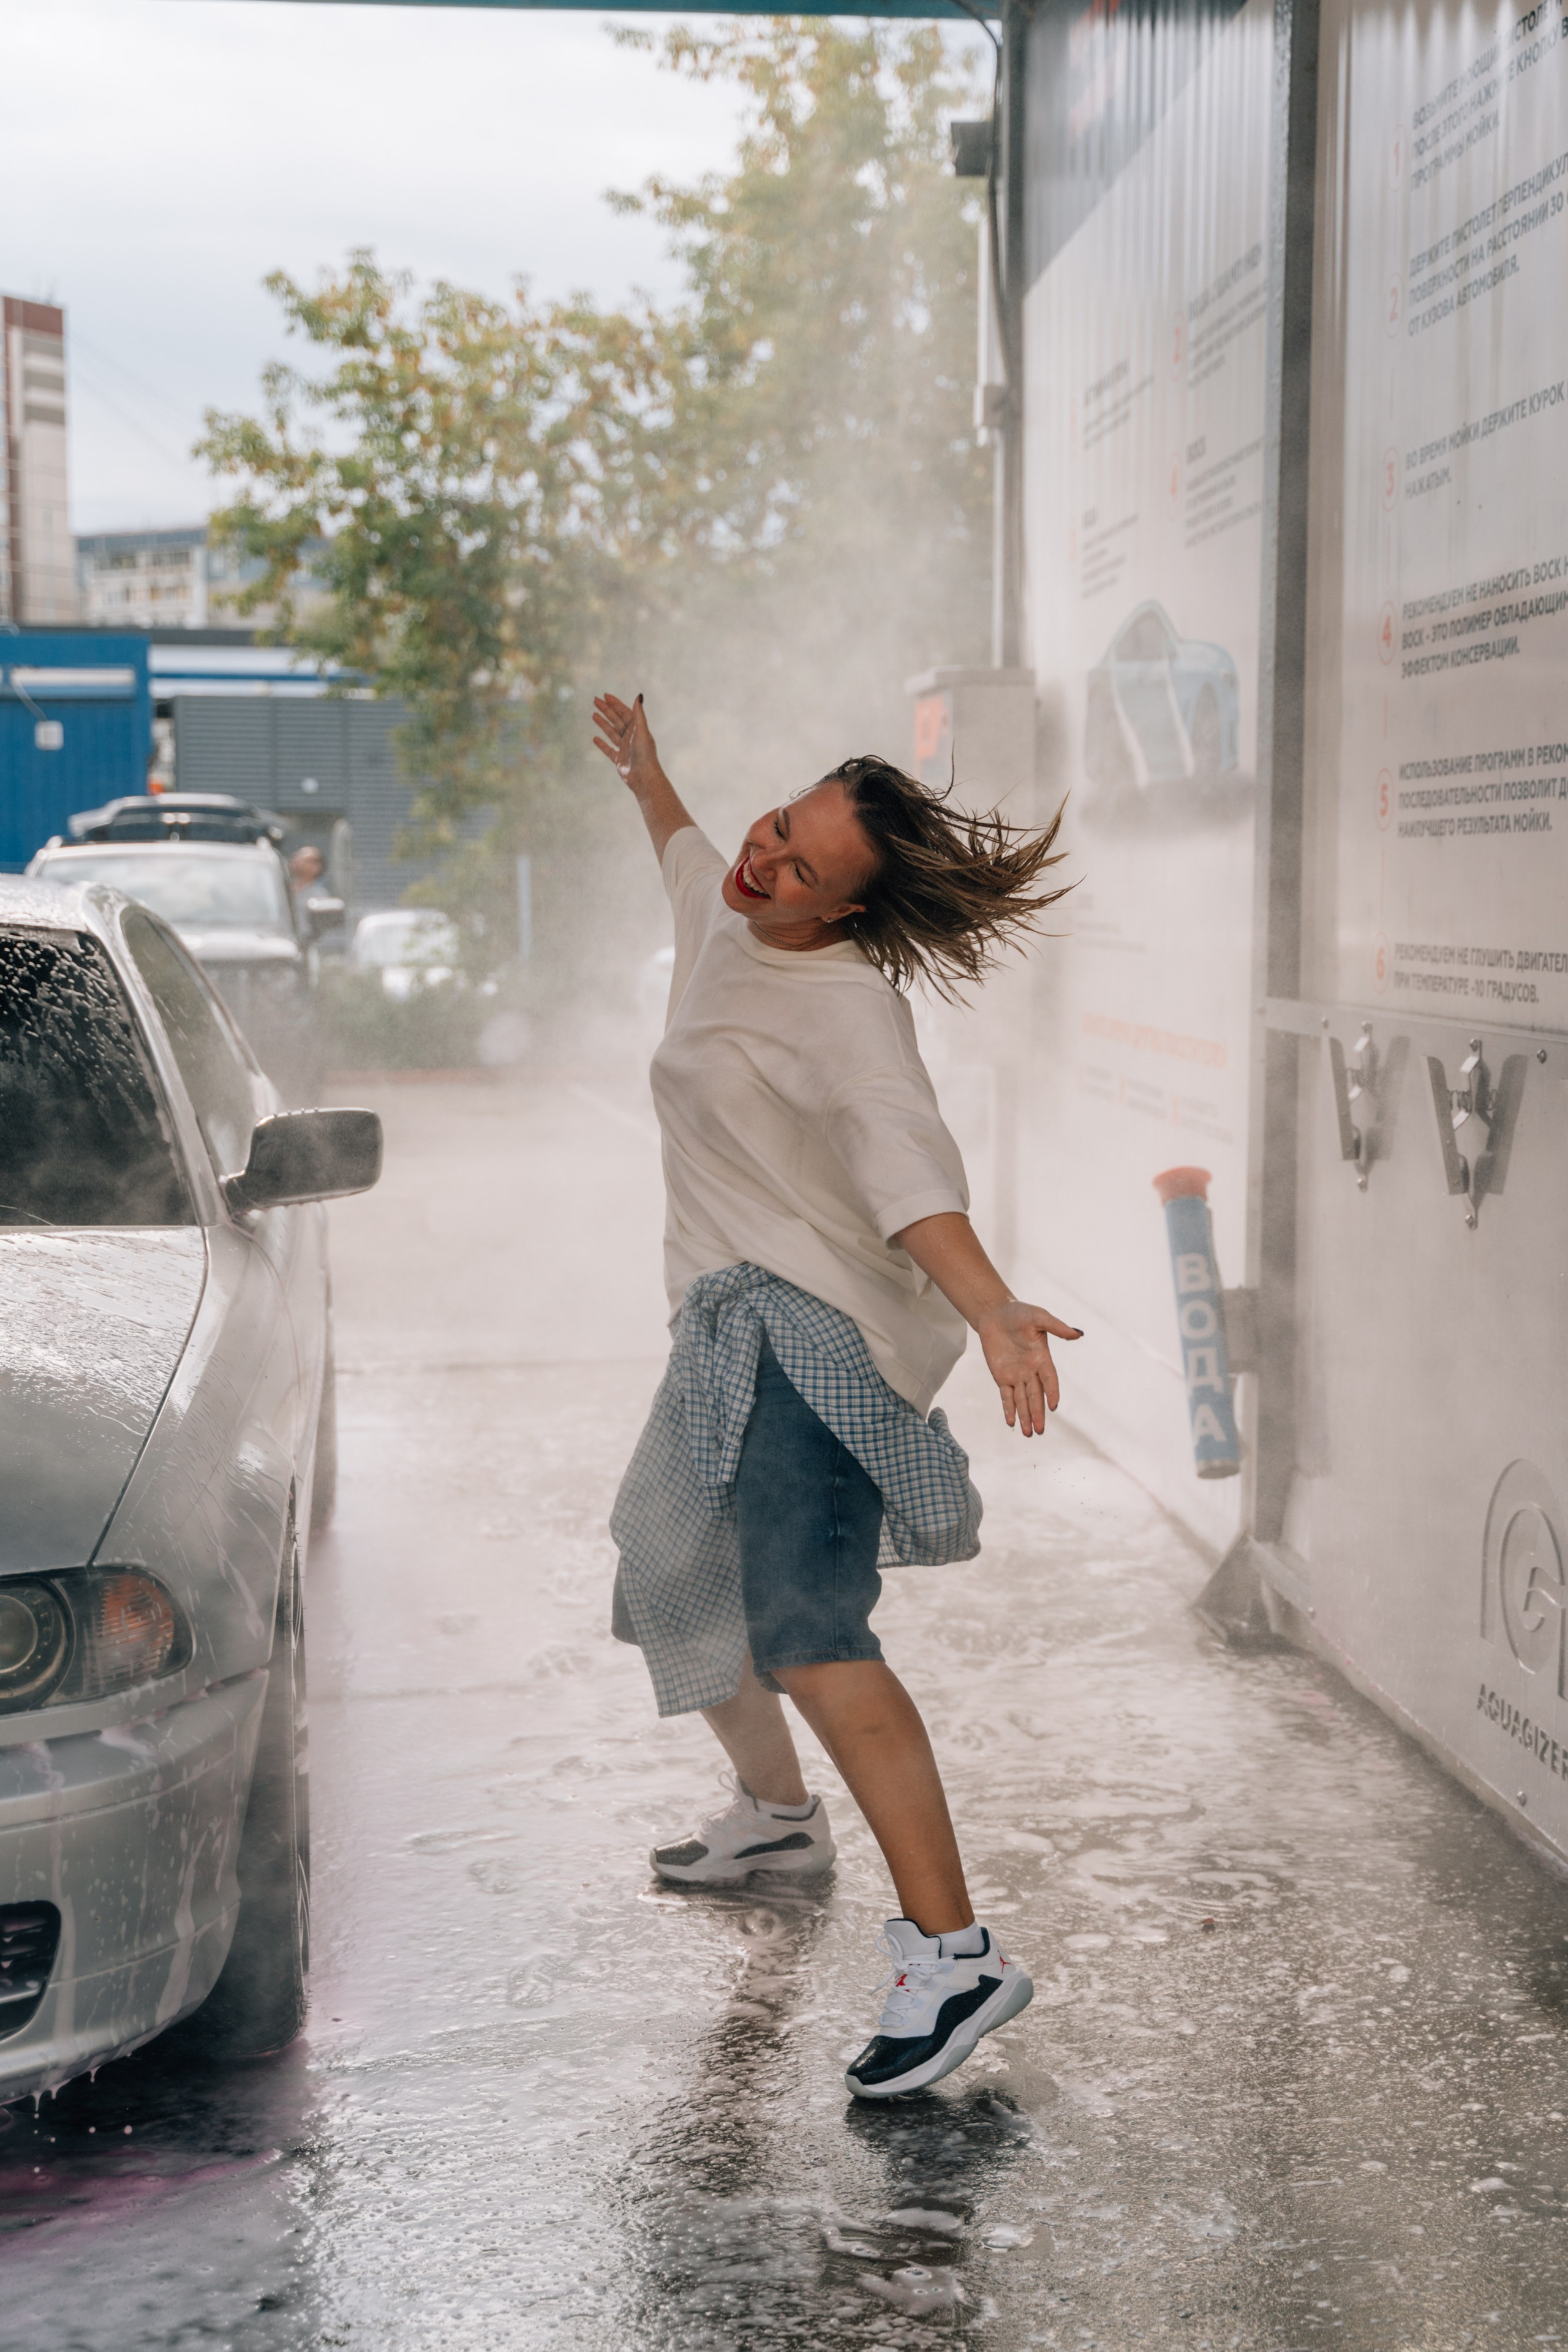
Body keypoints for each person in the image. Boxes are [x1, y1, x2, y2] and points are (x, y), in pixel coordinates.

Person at [595, 688, 1080, 2100]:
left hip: (813, 1344)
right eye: (776, 827)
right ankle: (777, 1817)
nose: (765, 862)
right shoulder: (728, 907)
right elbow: (690, 852)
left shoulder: (848, 1008)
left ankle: (955, 1959)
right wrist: (650, 773)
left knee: (809, 1636)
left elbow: (901, 1163)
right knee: (669, 1569)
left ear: (848, 909)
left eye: (801, 866)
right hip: (724, 1330)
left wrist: (990, 1306)